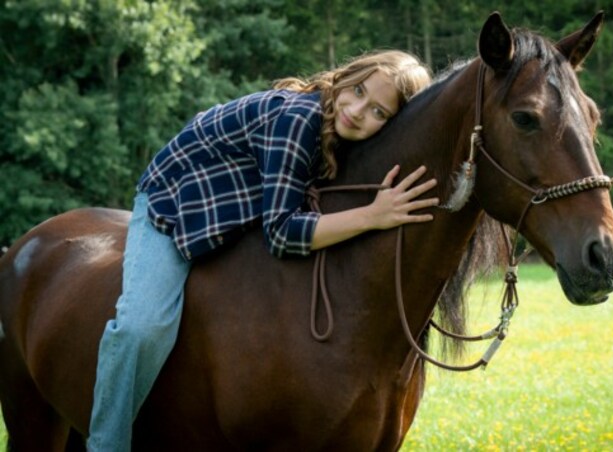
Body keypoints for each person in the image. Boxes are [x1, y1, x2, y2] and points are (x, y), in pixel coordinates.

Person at [88, 50, 435, 451]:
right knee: (142, 327)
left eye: (378, 111)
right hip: (176, 199)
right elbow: (283, 232)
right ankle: (105, 443)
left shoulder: (341, 133)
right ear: (345, 78)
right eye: (357, 91)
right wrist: (372, 216)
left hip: (239, 206)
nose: (357, 111)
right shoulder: (299, 119)